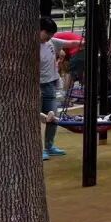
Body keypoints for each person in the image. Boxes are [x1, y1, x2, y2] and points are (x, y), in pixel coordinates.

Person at [39, 17, 66, 160]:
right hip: (36, 86)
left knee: (53, 116)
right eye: (47, 33)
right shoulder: (29, 45)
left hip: (49, 84)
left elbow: (70, 43)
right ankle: (38, 149)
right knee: (37, 118)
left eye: (51, 34)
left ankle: (49, 146)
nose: (49, 36)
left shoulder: (50, 43)